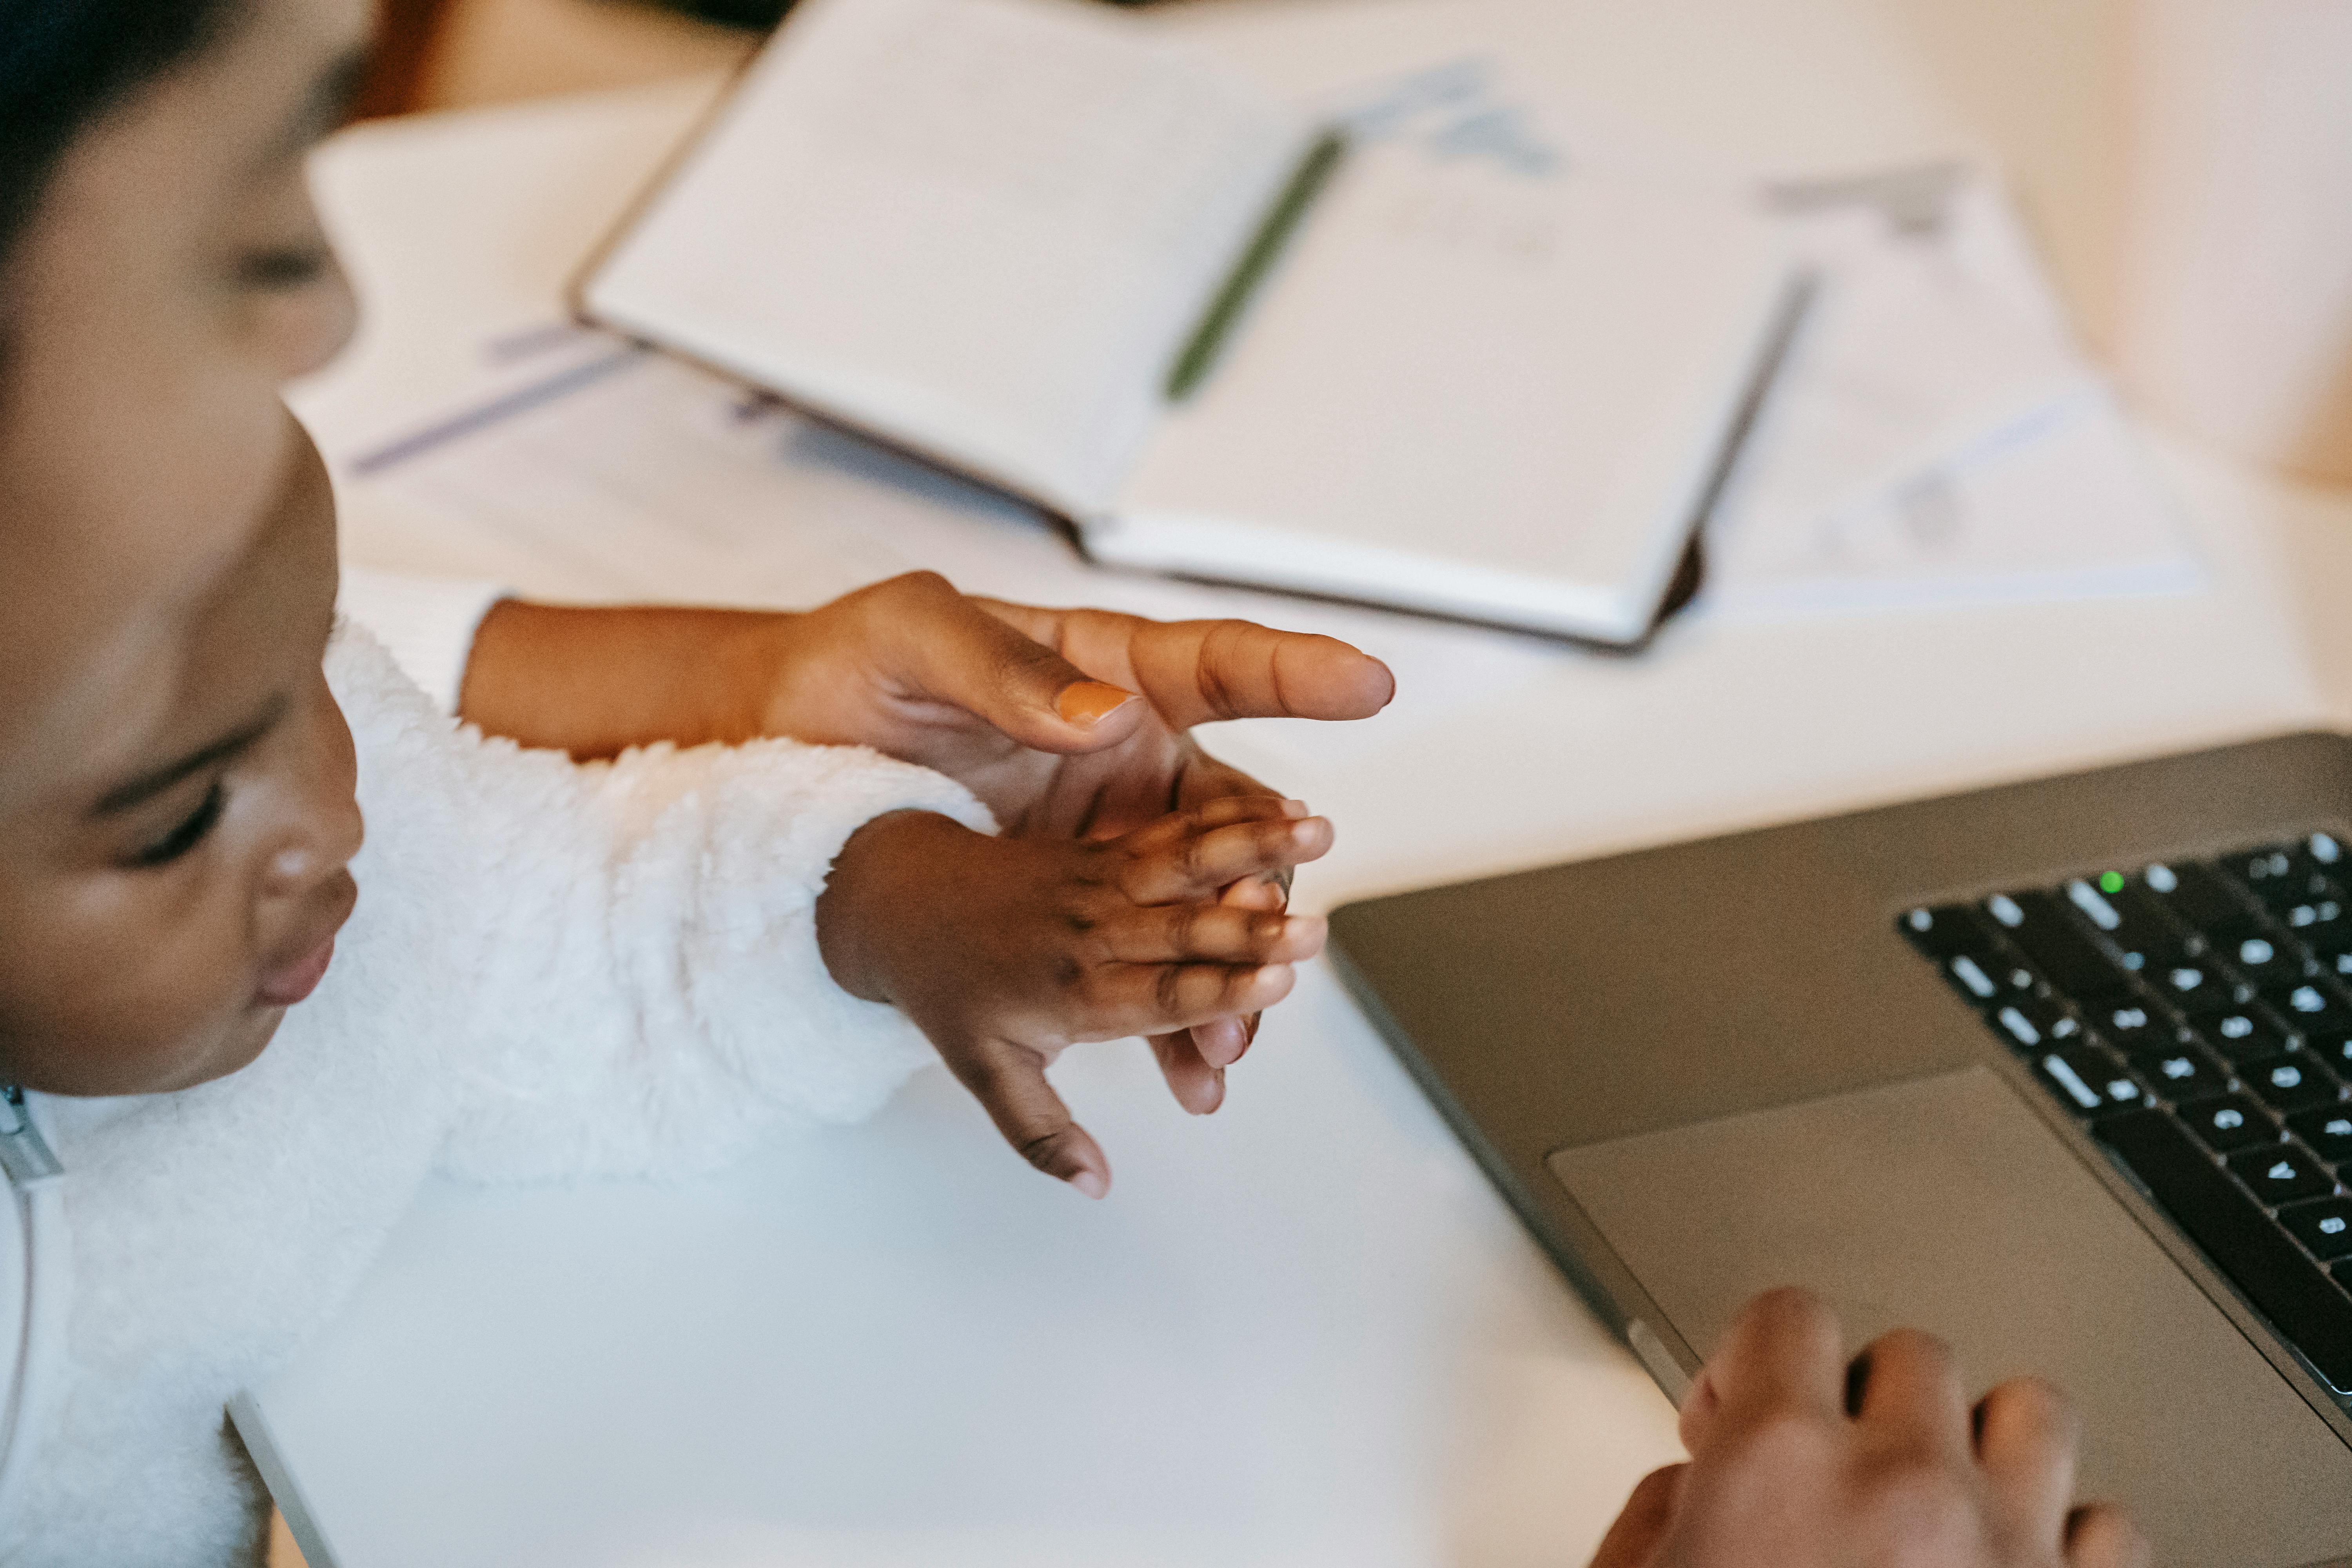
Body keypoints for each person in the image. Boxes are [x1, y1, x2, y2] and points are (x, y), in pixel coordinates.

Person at [0, 2, 2149, 1564]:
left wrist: (889, 902)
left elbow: (518, 896)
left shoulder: (175, 669)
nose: (347, 802)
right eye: (259, 223)